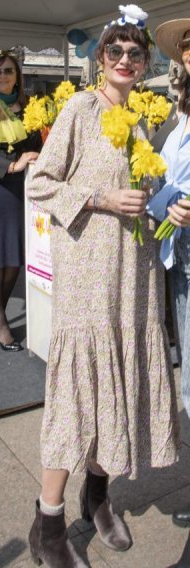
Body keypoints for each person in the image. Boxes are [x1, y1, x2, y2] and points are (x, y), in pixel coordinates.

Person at [26, 7, 180, 565]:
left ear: (145, 63)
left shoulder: (143, 117)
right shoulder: (80, 108)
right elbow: (42, 182)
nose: (125, 60)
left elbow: (146, 187)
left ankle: (97, 496)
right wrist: (100, 199)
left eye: (135, 53)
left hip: (133, 274)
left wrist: (167, 206)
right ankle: (47, 523)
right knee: (79, 393)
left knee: (118, 385)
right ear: (100, 60)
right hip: (89, 273)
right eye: (114, 51)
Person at [148, 17, 190, 531]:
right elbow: (160, 175)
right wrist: (162, 203)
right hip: (182, 260)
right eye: (187, 45)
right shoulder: (178, 110)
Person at [0, 51, 42, 350]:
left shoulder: (28, 107)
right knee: (0, 259)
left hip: (24, 188)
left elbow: (34, 144)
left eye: (9, 71)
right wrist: (10, 164)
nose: (3, 76)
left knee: (15, 260)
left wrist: (35, 153)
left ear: (17, 75)